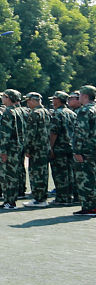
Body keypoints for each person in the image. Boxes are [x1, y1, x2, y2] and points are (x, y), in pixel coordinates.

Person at [0, 89, 27, 210]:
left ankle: (9, 201)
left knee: (7, 176)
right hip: (17, 147)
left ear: (8, 98)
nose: (2, 98)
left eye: (4, 96)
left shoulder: (8, 112)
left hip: (9, 149)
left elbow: (5, 134)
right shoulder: (19, 111)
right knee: (13, 174)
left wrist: (3, 151)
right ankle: (11, 200)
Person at [48, 91, 78, 205]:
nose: (52, 101)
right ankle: (71, 195)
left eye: (54, 99)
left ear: (59, 100)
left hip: (59, 147)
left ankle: (62, 197)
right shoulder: (71, 113)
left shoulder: (57, 113)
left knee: (60, 173)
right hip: (70, 146)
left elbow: (54, 132)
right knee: (70, 172)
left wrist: (50, 147)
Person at [23, 92, 51, 205]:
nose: (27, 103)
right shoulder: (46, 112)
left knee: (36, 173)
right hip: (44, 147)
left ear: (34, 100)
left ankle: (38, 198)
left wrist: (27, 148)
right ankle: (42, 196)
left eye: (28, 100)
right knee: (43, 173)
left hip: (36, 148)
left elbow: (30, 133)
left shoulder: (35, 113)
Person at [73, 85, 96, 215]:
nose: (79, 97)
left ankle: (90, 206)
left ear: (85, 96)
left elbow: (81, 132)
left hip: (86, 150)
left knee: (85, 179)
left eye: (80, 95)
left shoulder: (84, 111)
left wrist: (77, 150)